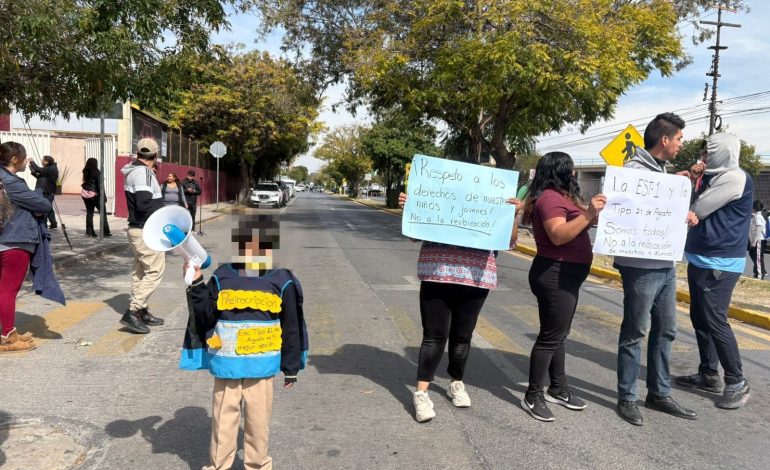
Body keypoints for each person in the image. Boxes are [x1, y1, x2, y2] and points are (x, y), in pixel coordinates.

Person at [182, 214, 308, 470]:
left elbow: (291, 326)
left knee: (258, 425)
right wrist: (196, 282)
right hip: (227, 367)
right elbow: (205, 317)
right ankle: (219, 466)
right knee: (223, 423)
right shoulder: (222, 276)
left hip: (261, 371)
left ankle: (258, 466)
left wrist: (291, 368)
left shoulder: (282, 280)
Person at [398, 191, 521, 423]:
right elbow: (413, 233)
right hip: (437, 274)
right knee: (434, 336)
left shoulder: (490, 199)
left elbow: (509, 242)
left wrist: (513, 216)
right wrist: (409, 209)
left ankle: (456, 382)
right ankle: (421, 393)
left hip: (476, 277)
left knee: (463, 336)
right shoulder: (435, 196)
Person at [613, 113, 700, 426]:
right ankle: (627, 397)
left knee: (666, 330)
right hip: (640, 268)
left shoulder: (662, 173)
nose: (680, 145)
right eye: (678, 139)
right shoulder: (633, 172)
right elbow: (626, 215)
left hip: (665, 265)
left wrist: (684, 216)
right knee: (635, 331)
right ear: (665, 140)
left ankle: (659, 393)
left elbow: (659, 214)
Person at [519, 151, 606, 422]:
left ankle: (558, 388)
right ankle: (533, 395)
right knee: (550, 336)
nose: (573, 175)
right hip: (556, 274)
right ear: (559, 171)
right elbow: (558, 235)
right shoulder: (548, 199)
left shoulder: (563, 197)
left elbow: (581, 224)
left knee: (559, 334)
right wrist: (589, 213)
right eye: (569, 170)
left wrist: (593, 215)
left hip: (567, 274)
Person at [676, 133, 753, 409]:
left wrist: (695, 184)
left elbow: (699, 208)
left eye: (709, 154)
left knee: (714, 318)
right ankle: (709, 373)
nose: (704, 159)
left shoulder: (735, 178)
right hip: (701, 259)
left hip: (719, 264)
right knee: (700, 316)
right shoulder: (714, 176)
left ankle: (737, 381)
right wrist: (696, 178)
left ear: (722, 154)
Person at [0, 142, 52, 352]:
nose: (25, 160)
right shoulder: (11, 182)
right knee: (8, 291)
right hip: (15, 241)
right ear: (14, 159)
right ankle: (7, 336)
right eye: (23, 157)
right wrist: (35, 205)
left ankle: (8, 331)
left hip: (5, 239)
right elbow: (43, 205)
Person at [120, 138, 166, 334]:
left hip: (137, 229)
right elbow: (144, 204)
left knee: (140, 271)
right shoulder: (144, 173)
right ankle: (133, 311)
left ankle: (142, 310)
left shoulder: (132, 170)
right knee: (155, 271)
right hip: (146, 230)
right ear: (155, 156)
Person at [81, 157, 112, 238]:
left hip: (86, 195)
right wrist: (103, 196)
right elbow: (100, 185)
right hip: (96, 195)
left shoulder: (85, 171)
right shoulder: (97, 172)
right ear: (95, 164)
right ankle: (105, 231)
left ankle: (89, 232)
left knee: (89, 213)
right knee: (103, 213)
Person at [28, 154, 58, 229]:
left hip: (48, 192)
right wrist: (32, 171)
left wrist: (32, 161)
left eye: (43, 160)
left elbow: (37, 168)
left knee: (45, 208)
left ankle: (43, 224)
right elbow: (40, 177)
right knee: (49, 207)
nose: (41, 161)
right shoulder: (48, 169)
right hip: (46, 191)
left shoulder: (51, 168)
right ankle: (53, 223)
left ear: (47, 161)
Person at [748, 200, 766, 279]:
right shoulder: (756, 216)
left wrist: (754, 242)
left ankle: (759, 274)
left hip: (758, 240)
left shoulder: (758, 216)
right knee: (755, 255)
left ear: (754, 208)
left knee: (757, 257)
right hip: (756, 240)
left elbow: (759, 229)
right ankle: (761, 272)